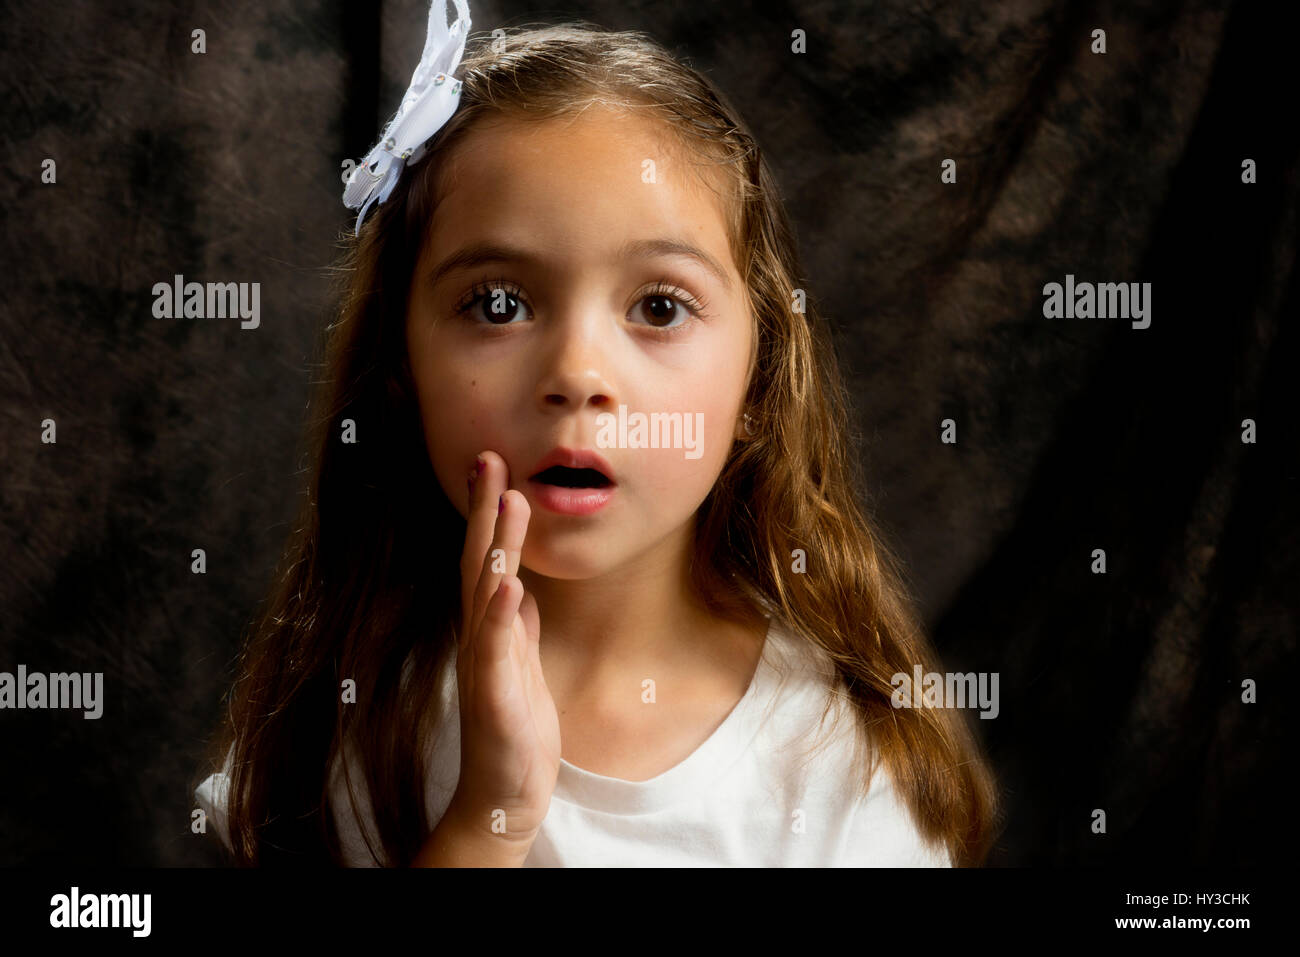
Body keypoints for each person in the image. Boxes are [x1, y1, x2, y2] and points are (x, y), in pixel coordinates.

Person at [193, 2, 999, 867]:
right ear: (402, 368)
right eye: (499, 304)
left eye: (658, 307)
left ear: (759, 381)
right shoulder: (342, 728)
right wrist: (488, 819)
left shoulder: (837, 764)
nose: (577, 373)